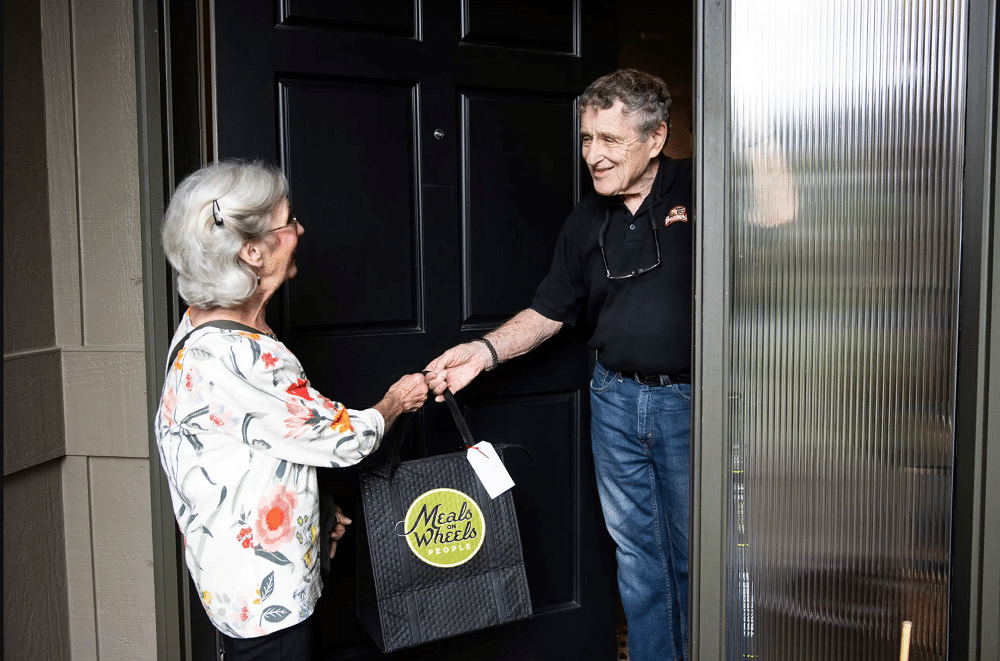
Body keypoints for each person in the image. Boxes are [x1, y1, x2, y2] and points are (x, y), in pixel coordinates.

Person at [425, 68, 692, 661]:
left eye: (610, 139)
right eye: (587, 138)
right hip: (614, 402)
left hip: (690, 403)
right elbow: (550, 311)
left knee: (696, 555)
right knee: (639, 559)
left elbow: (777, 228)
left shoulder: (701, 191)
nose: (593, 155)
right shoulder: (586, 218)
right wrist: (483, 353)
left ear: (655, 138)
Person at [155, 160, 427, 660]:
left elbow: (251, 443)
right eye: (289, 222)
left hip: (234, 582)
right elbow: (345, 438)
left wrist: (313, 509)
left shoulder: (199, 325)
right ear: (252, 252)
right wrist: (396, 402)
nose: (300, 231)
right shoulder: (244, 355)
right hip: (264, 600)